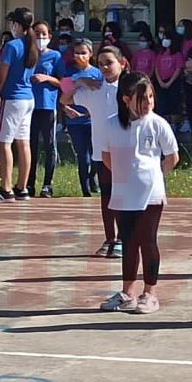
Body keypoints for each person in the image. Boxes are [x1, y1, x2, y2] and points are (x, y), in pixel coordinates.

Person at [100, 70, 179, 314]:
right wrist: (126, 179)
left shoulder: (157, 124)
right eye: (142, 98)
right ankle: (127, 293)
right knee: (129, 243)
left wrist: (153, 178)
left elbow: (172, 157)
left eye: (151, 97)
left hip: (151, 196)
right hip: (123, 195)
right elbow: (107, 157)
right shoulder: (112, 125)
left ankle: (150, 294)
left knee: (148, 241)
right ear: (126, 99)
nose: (148, 104)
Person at [68, 46, 128, 258]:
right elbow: (65, 98)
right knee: (106, 194)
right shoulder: (95, 89)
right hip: (102, 150)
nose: (104, 67)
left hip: (125, 150)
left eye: (109, 63)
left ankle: (123, 237)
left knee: (123, 195)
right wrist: (80, 82)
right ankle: (109, 238)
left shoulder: (129, 88)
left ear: (122, 63)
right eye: (101, 63)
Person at [0, 10, 36, 201]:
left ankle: (6, 188)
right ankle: (22, 187)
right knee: (23, 142)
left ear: (17, 25)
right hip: (28, 98)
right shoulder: (32, 45)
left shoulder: (12, 46)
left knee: (4, 142)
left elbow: (3, 76)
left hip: (12, 97)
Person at [60, 39, 102, 198]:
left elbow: (101, 97)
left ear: (91, 54)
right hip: (75, 122)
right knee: (82, 156)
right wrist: (67, 109)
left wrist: (89, 113)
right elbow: (64, 95)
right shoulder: (69, 72)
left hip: (93, 120)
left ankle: (93, 179)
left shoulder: (97, 73)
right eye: (77, 52)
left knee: (97, 155)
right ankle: (85, 190)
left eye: (83, 53)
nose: (80, 56)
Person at [27, 21, 64, 198]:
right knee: (30, 145)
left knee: (49, 145)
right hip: (28, 105)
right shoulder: (27, 54)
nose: (40, 37)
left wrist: (46, 78)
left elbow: (63, 82)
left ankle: (47, 184)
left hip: (47, 106)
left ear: (49, 36)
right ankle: (29, 182)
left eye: (44, 34)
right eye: (37, 33)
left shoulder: (55, 56)